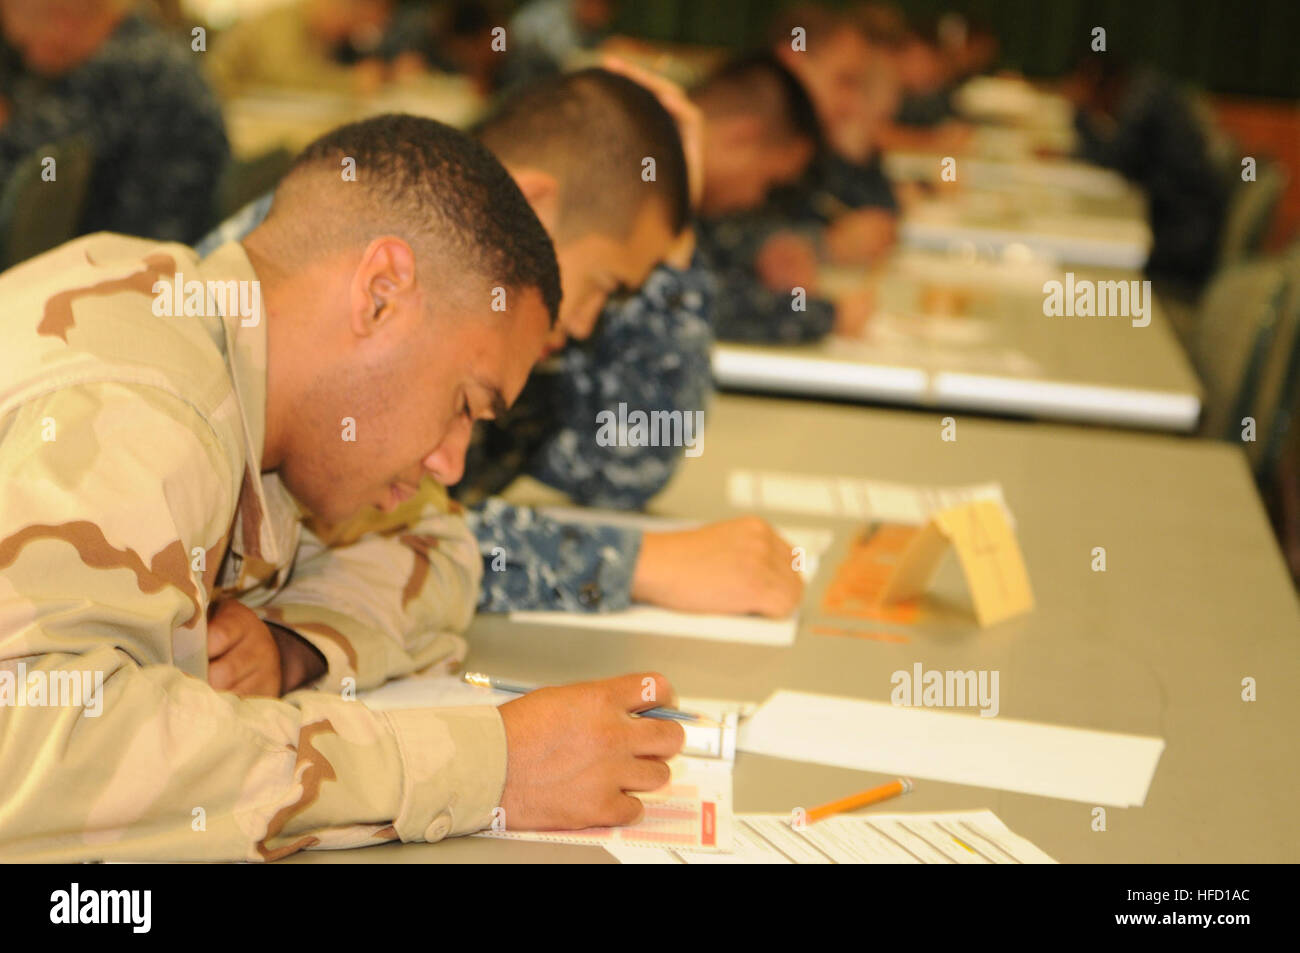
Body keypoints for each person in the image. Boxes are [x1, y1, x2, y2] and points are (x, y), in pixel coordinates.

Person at [0, 114, 685, 861]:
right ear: (381, 295)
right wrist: (487, 765)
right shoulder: (144, 407)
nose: (453, 462)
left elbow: (443, 548)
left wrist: (292, 646)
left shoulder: (268, 393)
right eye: (465, 403)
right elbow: (37, 751)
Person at [199, 67, 805, 621]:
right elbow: (337, 536)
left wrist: (675, 248)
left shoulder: (515, 319)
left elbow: (626, 461)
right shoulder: (347, 237)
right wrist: (636, 563)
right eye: (605, 286)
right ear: (536, 203)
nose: (592, 323)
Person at [0, 0, 228, 245]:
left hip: (145, 265)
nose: (28, 61)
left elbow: (15, 168)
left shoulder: (118, 72)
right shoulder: (149, 47)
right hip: (179, 254)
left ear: (62, 17)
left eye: (24, 45)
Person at [692, 53, 875, 343]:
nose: (755, 199)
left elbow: (714, 249)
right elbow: (693, 306)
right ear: (741, 138)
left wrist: (764, 247)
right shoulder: (645, 174)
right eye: (767, 184)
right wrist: (824, 316)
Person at [1065, 52, 1227, 288]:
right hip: (1176, 223)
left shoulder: (1144, 101)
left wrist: (1080, 113)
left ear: (1095, 81)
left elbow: (1116, 160)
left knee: (1086, 268)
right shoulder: (1146, 88)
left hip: (1179, 239)